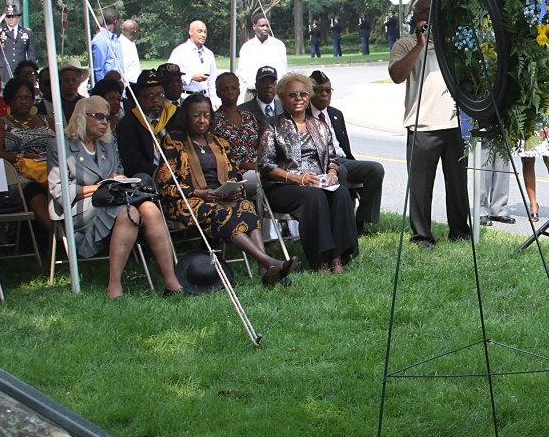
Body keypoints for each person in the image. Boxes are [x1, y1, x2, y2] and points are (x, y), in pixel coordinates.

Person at [48, 95, 183, 300]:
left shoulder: (108, 144)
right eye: (98, 117)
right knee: (128, 212)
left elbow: (118, 173)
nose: (105, 122)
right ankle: (114, 285)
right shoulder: (60, 146)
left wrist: (118, 180)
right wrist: (100, 187)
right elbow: (60, 191)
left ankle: (171, 280)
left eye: (108, 117)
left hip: (113, 200)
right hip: (76, 207)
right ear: (81, 117)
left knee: (150, 208)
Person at [157, 94, 297, 286]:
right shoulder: (173, 141)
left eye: (206, 115)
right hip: (189, 200)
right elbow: (165, 184)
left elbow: (234, 174)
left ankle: (266, 270)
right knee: (225, 213)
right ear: (186, 117)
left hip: (221, 196)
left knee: (246, 207)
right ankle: (269, 262)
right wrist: (200, 192)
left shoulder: (219, 142)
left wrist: (235, 189)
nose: (202, 120)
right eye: (196, 115)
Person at [388, 0, 470, 248]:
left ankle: (459, 231)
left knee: (457, 184)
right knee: (421, 187)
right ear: (414, 15)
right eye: (425, 11)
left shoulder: (452, 43)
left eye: (434, 10)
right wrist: (420, 45)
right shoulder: (405, 44)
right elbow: (397, 76)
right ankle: (422, 236)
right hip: (422, 125)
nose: (430, 15)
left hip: (454, 124)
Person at [258, 72, 358, 271]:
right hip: (284, 185)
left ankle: (337, 257)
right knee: (314, 197)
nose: (298, 99)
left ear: (309, 96)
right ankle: (319, 260)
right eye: (292, 94)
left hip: (317, 183)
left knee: (341, 193)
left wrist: (331, 174)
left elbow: (332, 158)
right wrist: (297, 179)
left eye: (303, 94)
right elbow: (266, 165)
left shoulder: (319, 125)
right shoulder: (272, 125)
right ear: (282, 97)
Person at [309, 70, 385, 234]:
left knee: (376, 169)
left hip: (342, 159)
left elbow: (344, 147)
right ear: (309, 92)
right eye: (319, 90)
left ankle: (361, 222)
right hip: (320, 163)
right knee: (340, 172)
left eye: (328, 91)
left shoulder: (335, 114)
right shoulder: (304, 115)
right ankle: (343, 223)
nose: (324, 95)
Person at [0, 77, 53, 230]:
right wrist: (20, 157)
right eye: (18, 97)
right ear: (9, 99)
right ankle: (57, 233)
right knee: (32, 189)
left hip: (49, 167)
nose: (23, 101)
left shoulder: (47, 120)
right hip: (17, 172)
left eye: (27, 97)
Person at [115, 69, 175, 185]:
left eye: (160, 95)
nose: (156, 100)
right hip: (149, 176)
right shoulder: (127, 124)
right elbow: (133, 162)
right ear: (138, 99)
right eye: (149, 96)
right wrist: (162, 172)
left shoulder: (176, 117)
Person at [211, 72, 262, 183]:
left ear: (239, 90)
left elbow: (260, 145)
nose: (230, 92)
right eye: (225, 89)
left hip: (257, 167)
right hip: (232, 172)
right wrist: (244, 165)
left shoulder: (248, 117)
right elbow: (215, 154)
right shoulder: (214, 121)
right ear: (218, 93)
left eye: (233, 88)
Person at [515, 119, 549, 225]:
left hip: (544, 116)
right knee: (528, 160)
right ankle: (533, 204)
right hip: (525, 118)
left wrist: (546, 123)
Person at [235, 12, 288, 104]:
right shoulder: (247, 47)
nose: (265, 28)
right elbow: (242, 71)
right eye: (262, 26)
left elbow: (283, 70)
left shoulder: (278, 45)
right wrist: (256, 86)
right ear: (254, 26)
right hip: (253, 92)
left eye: (267, 26)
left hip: (274, 93)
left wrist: (272, 86)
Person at [169, 20, 217, 97]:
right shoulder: (179, 51)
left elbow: (212, 80)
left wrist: (215, 101)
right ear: (191, 32)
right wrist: (191, 77)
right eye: (199, 31)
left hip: (205, 97)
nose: (203, 35)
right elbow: (170, 76)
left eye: (205, 32)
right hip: (185, 96)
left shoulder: (209, 54)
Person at [0, 3, 36, 83]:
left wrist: (31, 71)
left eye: (13, 16)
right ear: (5, 18)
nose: (11, 18)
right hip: (4, 69)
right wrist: (1, 18)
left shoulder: (26, 32)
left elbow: (31, 54)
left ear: (18, 17)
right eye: (8, 16)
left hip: (21, 69)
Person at [119, 19, 143, 85]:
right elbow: (123, 68)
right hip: (128, 84)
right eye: (138, 31)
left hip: (136, 83)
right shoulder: (121, 45)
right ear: (135, 32)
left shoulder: (131, 43)